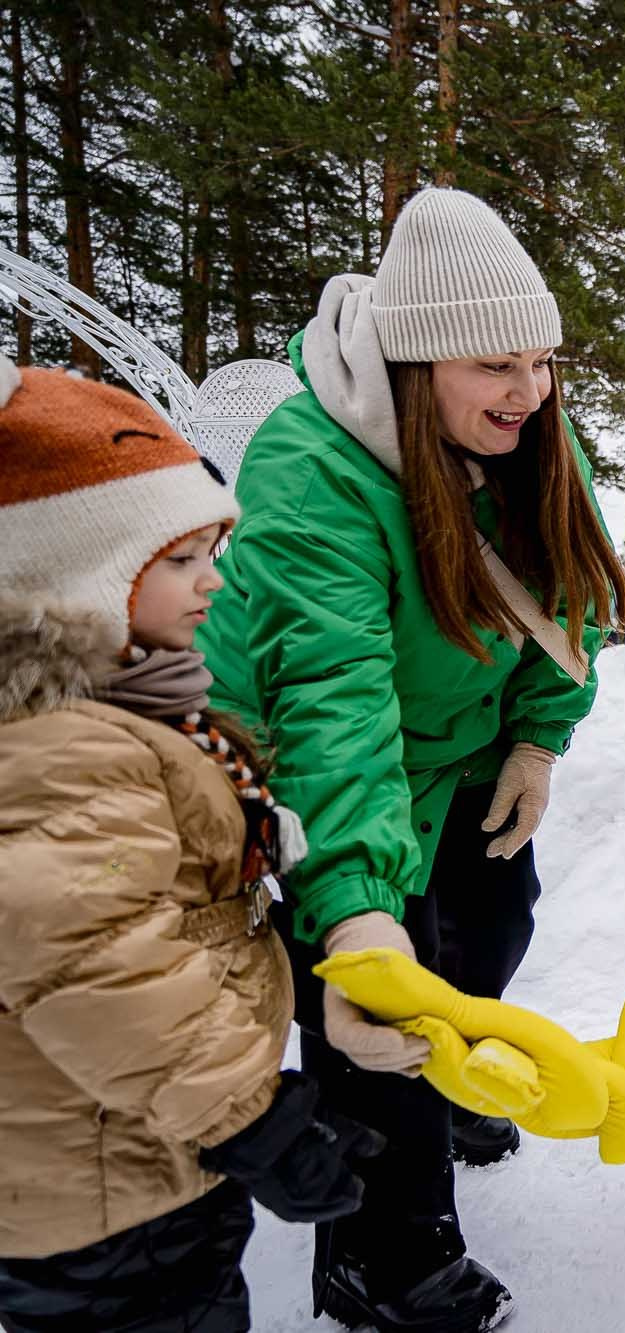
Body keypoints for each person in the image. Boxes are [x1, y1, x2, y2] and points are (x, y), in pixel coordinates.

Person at [198, 186, 625, 1329]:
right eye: (495, 365)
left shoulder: (526, 429)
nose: (529, 393)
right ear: (417, 359)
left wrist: (537, 739)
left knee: (493, 922)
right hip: (318, 763)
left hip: (461, 749)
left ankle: (450, 1080)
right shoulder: (312, 467)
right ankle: (381, 1252)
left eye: (540, 361)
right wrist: (353, 915)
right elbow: (332, 706)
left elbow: (563, 591)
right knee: (391, 987)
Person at [0, 360, 381, 1331]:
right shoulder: (65, 750)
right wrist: (247, 1117)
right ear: (75, 581)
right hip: (100, 1187)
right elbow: (101, 966)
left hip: (139, 1144)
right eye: (180, 559)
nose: (218, 578)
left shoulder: (129, 712)